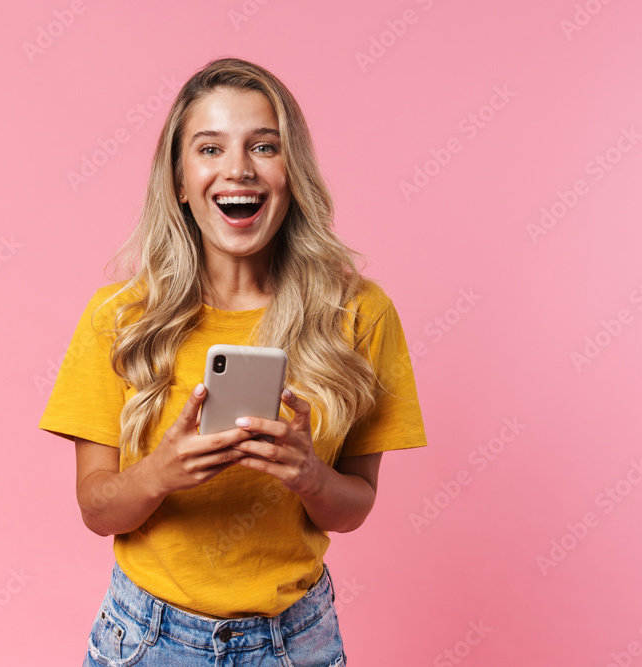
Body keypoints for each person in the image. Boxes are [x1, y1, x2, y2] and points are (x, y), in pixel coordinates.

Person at [39, 57, 428, 667]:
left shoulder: (359, 314)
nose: (238, 168)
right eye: (210, 147)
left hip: (297, 641)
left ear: (292, 172)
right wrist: (160, 472)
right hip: (146, 639)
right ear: (179, 177)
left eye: (264, 146)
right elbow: (96, 510)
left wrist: (309, 475)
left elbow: (356, 506)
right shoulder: (119, 317)